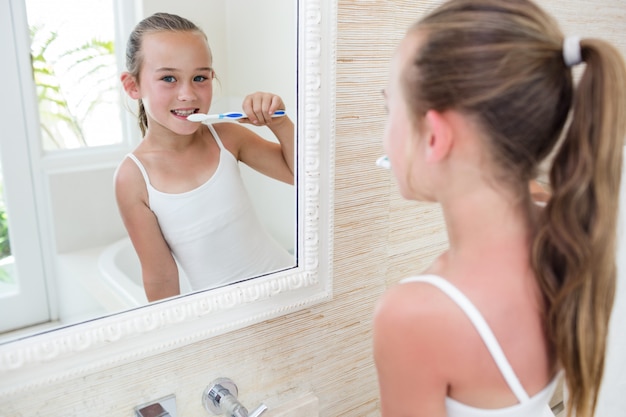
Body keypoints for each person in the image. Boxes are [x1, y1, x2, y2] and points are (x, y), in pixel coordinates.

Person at [373, 1, 626, 417]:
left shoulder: (413, 315)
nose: (386, 138)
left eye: (389, 110)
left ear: (435, 136)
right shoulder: (570, 229)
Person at [114, 12, 295, 302]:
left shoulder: (227, 137)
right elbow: (161, 279)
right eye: (169, 78)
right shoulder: (133, 178)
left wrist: (280, 123)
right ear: (133, 86)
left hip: (290, 286)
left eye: (200, 77)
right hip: (225, 321)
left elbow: (300, 174)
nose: (187, 94)